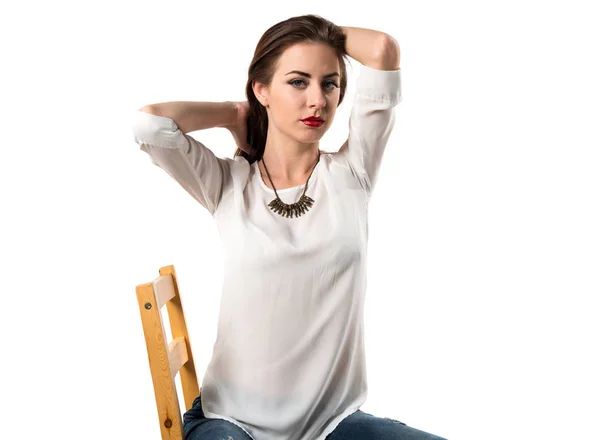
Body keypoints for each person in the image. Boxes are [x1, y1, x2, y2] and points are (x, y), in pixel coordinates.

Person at [131, 13, 447, 440]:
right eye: (297, 82)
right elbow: (149, 125)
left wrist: (321, 33)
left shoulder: (352, 174)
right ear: (262, 90)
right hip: (232, 423)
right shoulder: (228, 184)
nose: (317, 100)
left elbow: (383, 51)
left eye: (329, 83)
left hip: (331, 425)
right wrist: (233, 114)